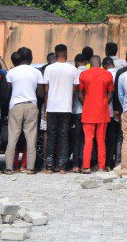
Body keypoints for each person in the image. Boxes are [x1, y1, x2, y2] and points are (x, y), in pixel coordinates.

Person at [4, 47, 44, 175]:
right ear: (31, 58)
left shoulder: (11, 72)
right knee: (31, 138)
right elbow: (41, 94)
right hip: (31, 105)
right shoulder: (37, 72)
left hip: (15, 106)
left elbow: (7, 92)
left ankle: (9, 168)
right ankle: (30, 168)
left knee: (12, 138)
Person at [42, 44, 78, 174]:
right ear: (66, 54)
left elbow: (46, 90)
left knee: (51, 136)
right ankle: (62, 167)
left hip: (52, 107)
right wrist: (71, 105)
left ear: (55, 54)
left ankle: (49, 167)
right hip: (66, 108)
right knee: (64, 136)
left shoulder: (49, 69)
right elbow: (74, 91)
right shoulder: (73, 69)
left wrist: (46, 108)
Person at [78, 55, 113, 172]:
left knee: (88, 140)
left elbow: (80, 95)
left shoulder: (84, 74)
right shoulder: (107, 74)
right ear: (101, 63)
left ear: (90, 64)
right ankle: (101, 167)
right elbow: (110, 94)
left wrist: (86, 105)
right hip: (102, 113)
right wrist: (104, 105)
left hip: (88, 112)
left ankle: (86, 166)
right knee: (101, 141)